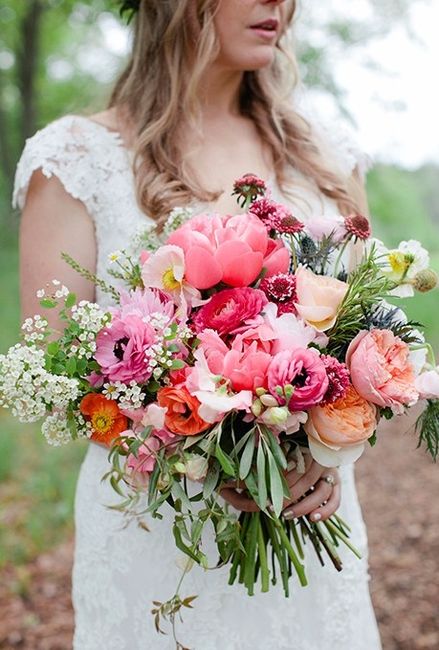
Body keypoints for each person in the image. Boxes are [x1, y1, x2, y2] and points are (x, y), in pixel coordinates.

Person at [14, 1, 382, 648]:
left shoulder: (326, 157)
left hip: (307, 518)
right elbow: (58, 375)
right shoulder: (76, 159)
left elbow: (365, 338)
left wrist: (326, 451)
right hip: (157, 539)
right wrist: (208, 454)